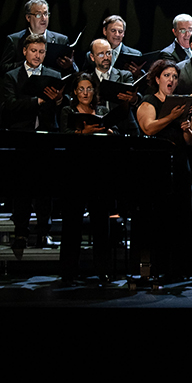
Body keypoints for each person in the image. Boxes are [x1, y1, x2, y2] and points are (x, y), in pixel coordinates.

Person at [0, 33, 65, 251]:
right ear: (25, 51)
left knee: (46, 189)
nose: (37, 55)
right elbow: (10, 105)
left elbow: (62, 106)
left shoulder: (54, 75)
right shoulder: (12, 76)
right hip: (23, 138)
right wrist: (37, 100)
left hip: (46, 137)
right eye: (34, 51)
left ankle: (44, 232)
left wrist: (58, 100)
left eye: (41, 52)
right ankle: (21, 232)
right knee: (22, 188)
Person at [136, 58, 192, 281]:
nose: (171, 80)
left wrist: (187, 129)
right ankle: (159, 266)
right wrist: (170, 117)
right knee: (160, 216)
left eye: (174, 76)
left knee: (180, 215)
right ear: (157, 79)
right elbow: (148, 128)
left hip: (179, 163)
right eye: (167, 76)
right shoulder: (148, 101)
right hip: (157, 164)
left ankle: (180, 268)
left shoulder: (181, 103)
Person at [57, 73, 113, 282]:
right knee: (72, 223)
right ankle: (68, 271)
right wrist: (84, 133)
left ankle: (102, 269)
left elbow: (114, 130)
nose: (85, 93)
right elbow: (64, 135)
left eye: (89, 88)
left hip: (99, 171)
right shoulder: (68, 111)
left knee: (101, 223)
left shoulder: (102, 111)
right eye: (81, 89)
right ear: (75, 92)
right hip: (75, 172)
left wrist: (109, 132)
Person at [0, 0, 72, 76]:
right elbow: (4, 69)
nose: (43, 18)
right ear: (28, 17)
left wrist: (69, 66)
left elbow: (74, 71)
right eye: (38, 15)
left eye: (46, 14)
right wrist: (27, 63)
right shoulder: (15, 40)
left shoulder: (61, 40)